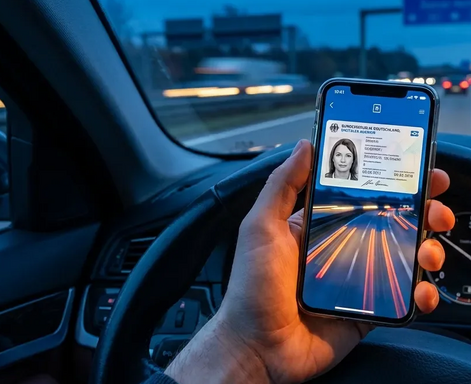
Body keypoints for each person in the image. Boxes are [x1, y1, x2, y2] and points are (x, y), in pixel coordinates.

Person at [147, 139, 454, 384]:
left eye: (350, 156)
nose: (344, 160)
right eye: (340, 155)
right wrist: (242, 345)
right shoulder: (331, 199)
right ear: (333, 158)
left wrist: (241, 351)